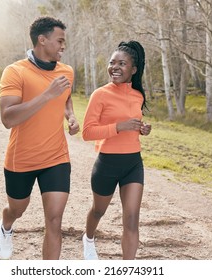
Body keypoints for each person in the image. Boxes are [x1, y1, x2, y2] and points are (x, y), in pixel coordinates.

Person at [0, 16, 79, 260]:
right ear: (42, 40)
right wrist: (46, 95)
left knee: (54, 220)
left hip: (56, 157)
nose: (63, 46)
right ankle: (6, 225)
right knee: (17, 209)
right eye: (59, 40)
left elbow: (65, 98)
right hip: (22, 159)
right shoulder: (15, 71)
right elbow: (8, 118)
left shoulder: (67, 71)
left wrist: (71, 116)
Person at [81, 40, 151, 260]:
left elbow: (133, 123)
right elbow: (87, 132)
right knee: (98, 211)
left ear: (134, 69)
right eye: (112, 63)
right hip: (107, 164)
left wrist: (142, 130)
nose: (115, 67)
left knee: (131, 220)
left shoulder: (138, 95)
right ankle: (89, 238)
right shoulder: (100, 94)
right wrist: (118, 127)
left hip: (133, 164)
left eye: (122, 63)